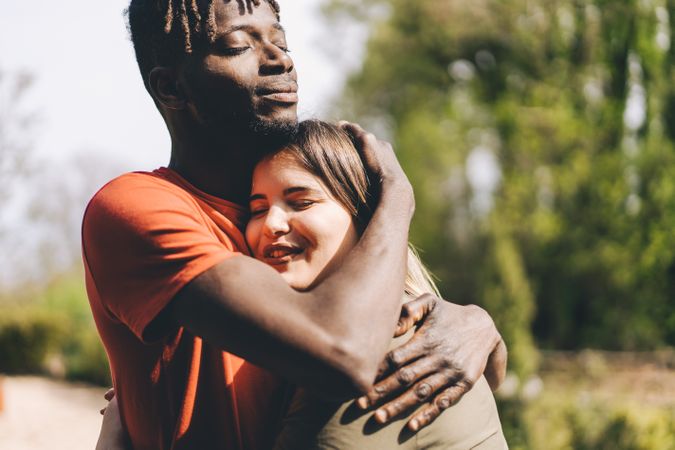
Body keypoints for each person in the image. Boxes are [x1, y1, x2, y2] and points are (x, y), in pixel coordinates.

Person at [85, 1, 507, 449]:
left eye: (281, 41)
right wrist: (398, 196)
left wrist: (477, 328)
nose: (280, 59)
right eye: (238, 45)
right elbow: (343, 353)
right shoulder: (138, 209)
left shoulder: (285, 227)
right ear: (171, 87)